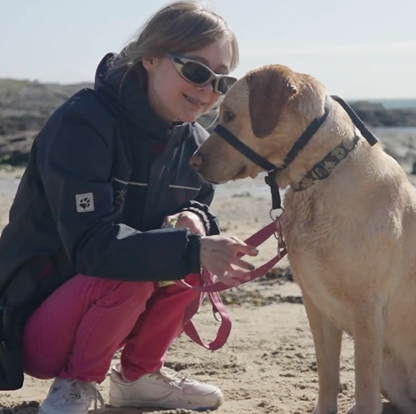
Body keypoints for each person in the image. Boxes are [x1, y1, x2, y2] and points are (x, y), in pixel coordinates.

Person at [0, 1, 259, 413]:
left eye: (221, 81)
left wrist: (196, 221)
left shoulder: (192, 142)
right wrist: (188, 248)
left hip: (114, 313)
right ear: (150, 58)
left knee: (186, 255)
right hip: (37, 323)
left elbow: (197, 207)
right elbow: (92, 246)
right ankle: (77, 383)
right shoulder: (83, 124)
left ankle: (140, 377)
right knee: (143, 270)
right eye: (195, 71)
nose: (208, 90)